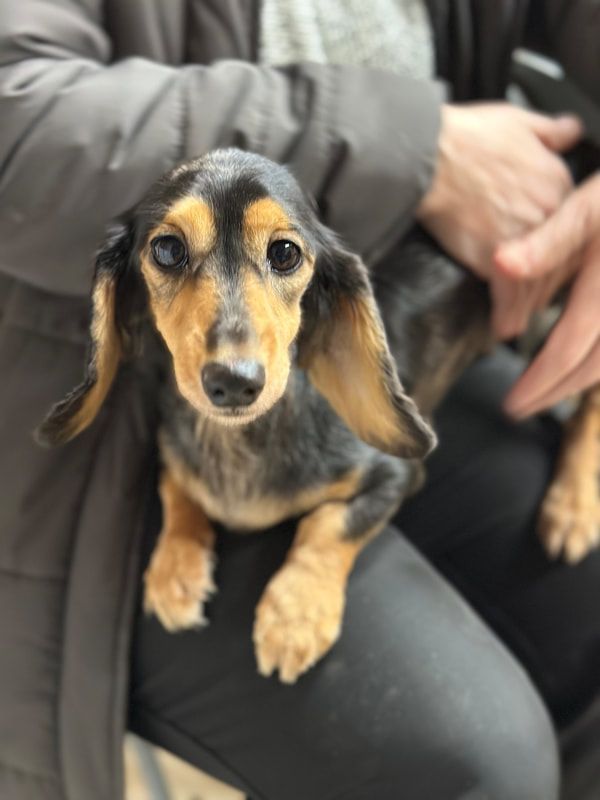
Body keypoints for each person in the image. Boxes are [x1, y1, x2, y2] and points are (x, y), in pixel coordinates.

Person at [0, 2, 598, 799]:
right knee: (470, 763)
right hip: (97, 450)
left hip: (384, 345)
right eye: (171, 252)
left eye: (282, 251)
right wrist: (421, 147)